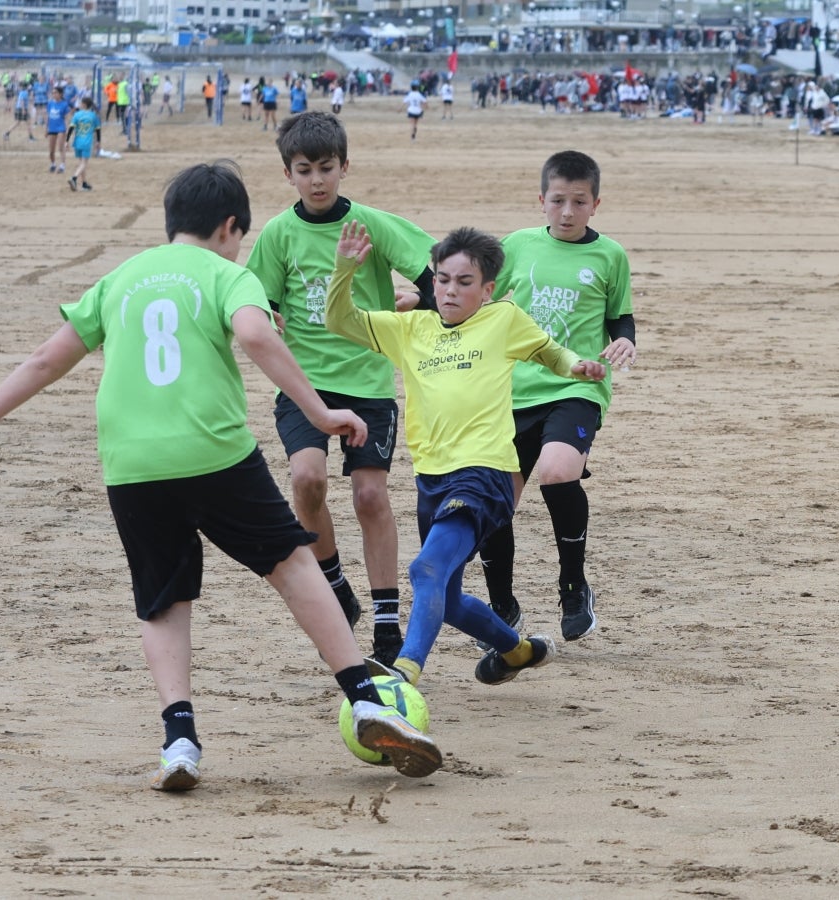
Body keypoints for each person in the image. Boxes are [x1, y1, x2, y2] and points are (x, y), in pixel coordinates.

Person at [0, 161, 442, 788]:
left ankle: (180, 742)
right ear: (230, 227)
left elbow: (44, 360)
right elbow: (256, 333)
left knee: (164, 599)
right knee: (292, 564)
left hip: (132, 463)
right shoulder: (227, 274)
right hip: (214, 452)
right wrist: (319, 411)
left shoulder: (119, 278)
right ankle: (365, 699)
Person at [326, 223, 608, 688]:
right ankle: (518, 650)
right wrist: (343, 269)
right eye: (442, 279)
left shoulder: (503, 319)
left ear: (487, 289)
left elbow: (550, 352)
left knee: (425, 569)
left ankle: (404, 672)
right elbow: (340, 320)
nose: (449, 291)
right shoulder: (409, 328)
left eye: (464, 281)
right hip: (431, 480)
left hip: (484, 473)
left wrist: (576, 366)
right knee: (449, 598)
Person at [245, 111, 438, 668]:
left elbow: (437, 276)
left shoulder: (371, 225)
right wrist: (268, 314)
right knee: (307, 480)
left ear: (345, 167)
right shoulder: (279, 234)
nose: (317, 180)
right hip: (304, 386)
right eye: (305, 170)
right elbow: (259, 303)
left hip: (368, 382)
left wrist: (419, 304)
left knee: (369, 496)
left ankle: (386, 624)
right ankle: (334, 584)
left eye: (326, 168)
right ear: (288, 174)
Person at [475, 150, 636, 643]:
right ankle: (502, 605)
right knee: (496, 502)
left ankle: (573, 586)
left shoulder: (610, 255)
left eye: (579, 202)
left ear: (596, 204)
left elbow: (620, 316)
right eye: (558, 200)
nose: (568, 212)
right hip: (512, 391)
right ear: (541, 199)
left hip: (577, 385)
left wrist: (626, 340)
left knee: (558, 470)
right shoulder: (518, 245)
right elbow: (479, 294)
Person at [67, 96, 99, 192]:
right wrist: (98, 142)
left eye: (81, 103)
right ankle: (74, 178)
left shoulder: (77, 115)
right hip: (87, 142)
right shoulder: (93, 116)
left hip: (77, 142)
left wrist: (66, 141)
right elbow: (98, 130)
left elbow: (71, 128)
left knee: (81, 163)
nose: (79, 105)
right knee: (84, 163)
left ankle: (84, 183)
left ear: (84, 105)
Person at [45, 85, 69, 175]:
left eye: (55, 93)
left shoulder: (64, 104)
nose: (53, 94)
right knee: (51, 150)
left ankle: (62, 165)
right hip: (52, 128)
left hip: (61, 128)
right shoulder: (50, 103)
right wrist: (46, 129)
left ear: (60, 94)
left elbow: (66, 118)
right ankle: (53, 164)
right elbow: (48, 117)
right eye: (53, 93)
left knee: (60, 147)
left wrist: (67, 129)